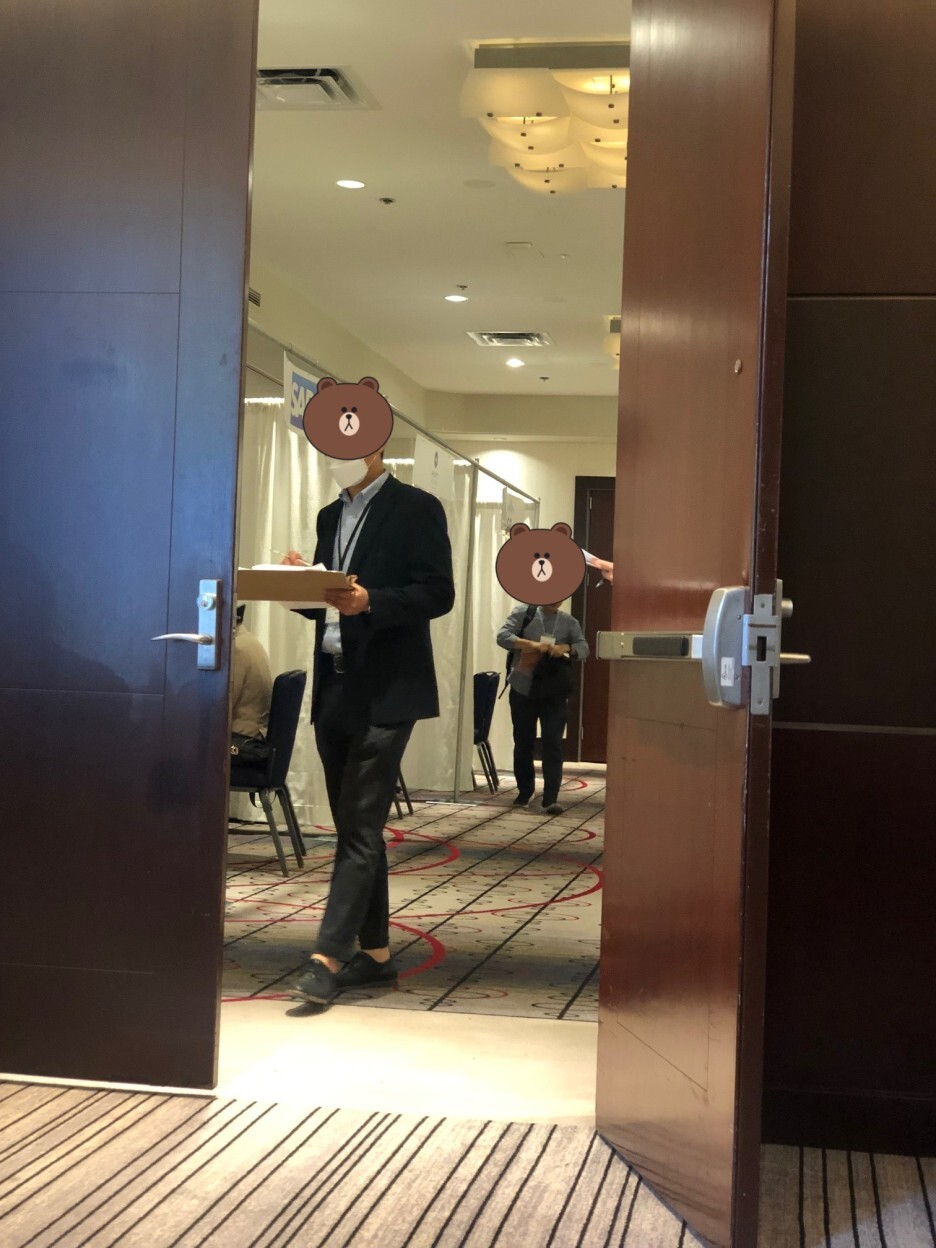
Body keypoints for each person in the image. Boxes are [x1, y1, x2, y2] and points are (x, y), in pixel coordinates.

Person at [282, 450, 455, 1007]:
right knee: (356, 825)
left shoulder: (417, 507)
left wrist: (371, 600)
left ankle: (327, 956)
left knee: (359, 821)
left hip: (389, 689)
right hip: (334, 684)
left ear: (377, 446)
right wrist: (297, 585)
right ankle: (376, 956)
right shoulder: (329, 516)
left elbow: (439, 593)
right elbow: (327, 606)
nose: (339, 456)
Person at [497, 599, 589, 815]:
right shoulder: (524, 613)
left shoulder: (568, 621)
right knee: (523, 740)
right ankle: (524, 791)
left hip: (553, 691)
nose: (557, 600)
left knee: (553, 742)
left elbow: (584, 647)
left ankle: (551, 798)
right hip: (522, 687)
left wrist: (565, 648)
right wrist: (531, 645)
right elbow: (502, 636)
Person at [230, 604, 273, 743]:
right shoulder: (250, 641)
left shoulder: (236, 648)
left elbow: (222, 706)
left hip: (240, 741)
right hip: (251, 736)